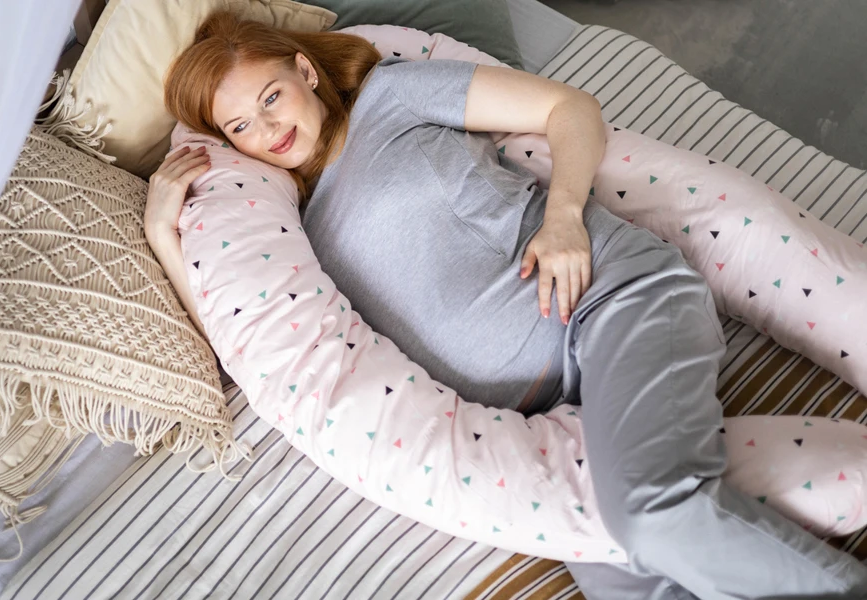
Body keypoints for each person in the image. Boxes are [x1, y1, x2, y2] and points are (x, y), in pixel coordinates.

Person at [144, 11, 867, 599]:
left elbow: (568, 108)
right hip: (548, 418)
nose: (268, 129)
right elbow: (250, 351)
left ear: (304, 71)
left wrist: (562, 216)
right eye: (240, 127)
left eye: (271, 96)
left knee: (653, 515)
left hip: (614, 306)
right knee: (630, 582)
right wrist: (161, 229)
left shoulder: (389, 97)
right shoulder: (296, 235)